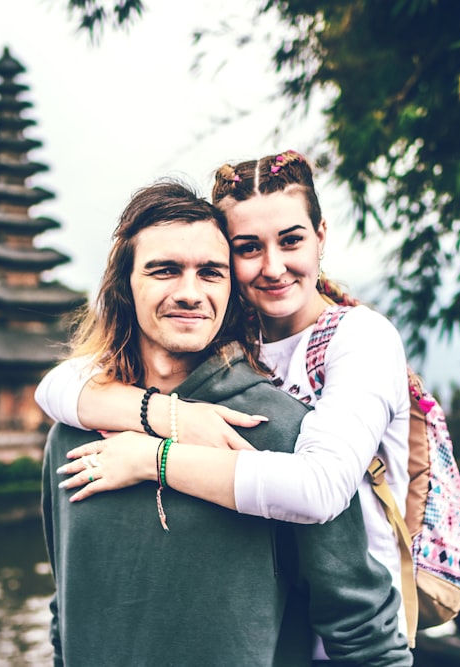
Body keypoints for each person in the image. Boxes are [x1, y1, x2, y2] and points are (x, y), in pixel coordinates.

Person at [37, 150, 416, 650]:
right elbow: (58, 387)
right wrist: (170, 416)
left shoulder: (355, 344)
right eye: (248, 248)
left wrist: (153, 456)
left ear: (321, 236)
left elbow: (318, 490)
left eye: (291, 240)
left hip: (343, 635)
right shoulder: (77, 427)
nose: (273, 266)